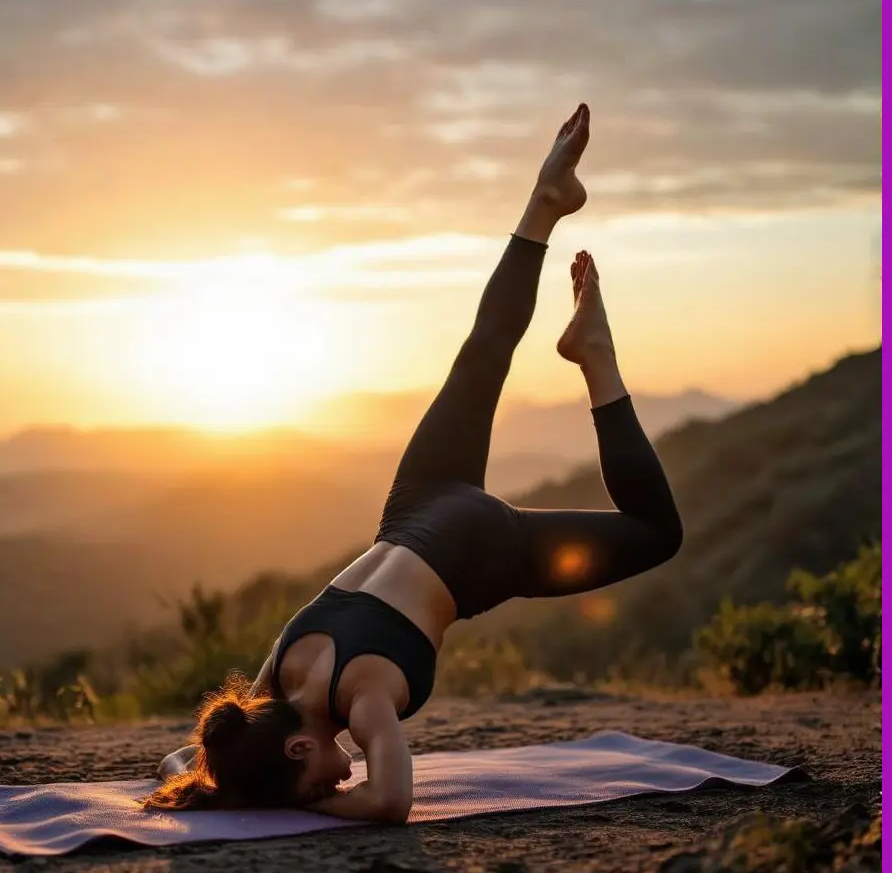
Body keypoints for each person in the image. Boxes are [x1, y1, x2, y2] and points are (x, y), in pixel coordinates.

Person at [144, 103, 683, 822]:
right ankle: (543, 205)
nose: (335, 786)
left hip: (477, 546)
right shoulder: (272, 684)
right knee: (481, 357)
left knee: (656, 530)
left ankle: (597, 360)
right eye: (320, 798)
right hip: (414, 504)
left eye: (315, 785)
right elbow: (184, 761)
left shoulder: (363, 700)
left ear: (300, 752)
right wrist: (223, 783)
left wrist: (301, 811)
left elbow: (389, 801)